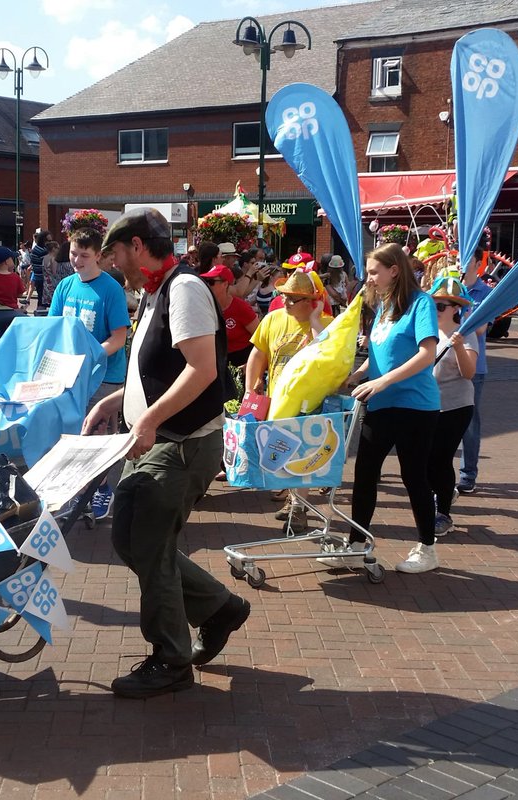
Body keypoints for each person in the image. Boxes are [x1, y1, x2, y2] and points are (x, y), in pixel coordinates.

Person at [82, 207, 248, 699]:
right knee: (131, 542)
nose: (115, 264)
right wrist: (117, 402)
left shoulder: (184, 289)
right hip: (157, 439)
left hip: (179, 446)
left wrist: (149, 420)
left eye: (116, 253)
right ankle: (219, 607)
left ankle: (171, 659)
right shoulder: (155, 292)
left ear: (137, 246)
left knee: (150, 547)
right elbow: (155, 367)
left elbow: (201, 371)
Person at [340, 243, 440, 574]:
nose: (367, 278)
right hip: (381, 405)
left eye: (373, 272)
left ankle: (427, 549)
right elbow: (380, 355)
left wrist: (383, 382)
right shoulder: (382, 307)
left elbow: (426, 353)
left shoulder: (420, 303)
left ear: (393, 270)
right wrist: (356, 375)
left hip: (415, 406)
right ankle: (355, 544)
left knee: (414, 477)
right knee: (364, 474)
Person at [49, 227, 131, 519]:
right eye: (73, 253)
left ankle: (103, 488)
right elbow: (54, 329)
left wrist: (91, 355)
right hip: (71, 376)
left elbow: (119, 338)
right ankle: (76, 491)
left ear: (99, 255)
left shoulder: (110, 289)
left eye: (84, 255)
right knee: (72, 434)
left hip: (106, 376)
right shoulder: (65, 286)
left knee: (99, 436)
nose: (77, 260)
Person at [245, 271, 328, 524]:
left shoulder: (325, 322)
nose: (286, 302)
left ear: (310, 301)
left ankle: (299, 507)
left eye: (293, 299)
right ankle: (294, 500)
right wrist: (251, 387)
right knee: (284, 454)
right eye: (285, 297)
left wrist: (315, 319)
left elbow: (323, 353)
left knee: (303, 454)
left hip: (309, 402)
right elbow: (258, 355)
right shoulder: (272, 319)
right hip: (278, 399)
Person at [427, 277, 477, 537]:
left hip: (455, 406)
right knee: (424, 461)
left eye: (439, 305)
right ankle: (445, 493)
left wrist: (458, 348)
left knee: (440, 459)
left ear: (454, 308)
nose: (434, 308)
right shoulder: (425, 330)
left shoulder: (465, 334)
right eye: (432, 303)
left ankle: (443, 514)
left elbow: (469, 373)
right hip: (426, 405)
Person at [458, 251, 491, 496]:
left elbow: (479, 330)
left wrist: (460, 308)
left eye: (467, 258)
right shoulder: (448, 288)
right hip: (444, 366)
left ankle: (468, 474)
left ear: (478, 264)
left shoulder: (486, 293)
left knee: (469, 423)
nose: (460, 262)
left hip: (473, 367)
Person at [201, 264, 258, 367]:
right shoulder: (205, 306)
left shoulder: (240, 307)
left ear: (225, 284)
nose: (207, 285)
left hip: (242, 362)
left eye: (211, 282)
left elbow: (260, 338)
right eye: (205, 282)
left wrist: (250, 364)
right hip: (218, 362)